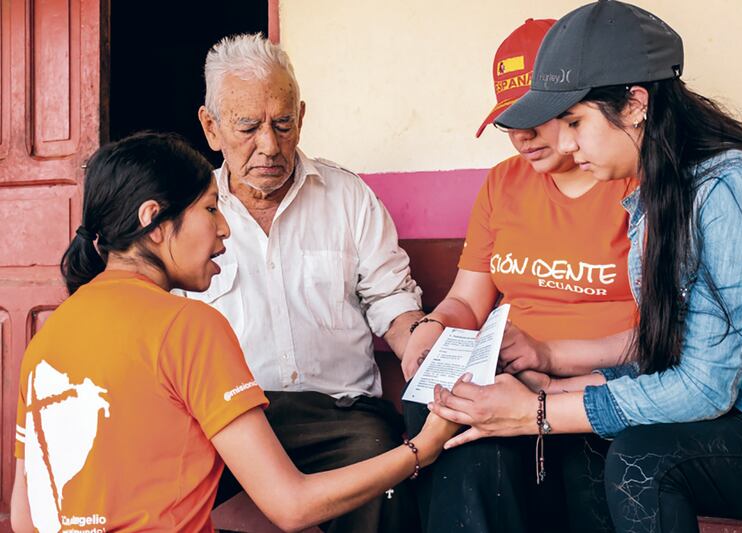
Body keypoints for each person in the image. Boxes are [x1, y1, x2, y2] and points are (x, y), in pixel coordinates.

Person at [431, 2, 742, 532]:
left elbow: (702, 388)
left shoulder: (739, 186)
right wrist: (538, 389)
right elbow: (665, 358)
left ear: (634, 105)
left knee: (637, 461)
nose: (563, 142)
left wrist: (534, 410)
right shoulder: (653, 201)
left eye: (575, 121)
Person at [9, 132, 456, 533]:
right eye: (209, 208)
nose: (223, 228)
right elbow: (291, 505)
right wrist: (423, 447)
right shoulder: (188, 326)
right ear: (156, 221)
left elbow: (27, 518)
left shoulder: (48, 338)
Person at [401, 18, 637, 533]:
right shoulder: (502, 185)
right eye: (509, 119)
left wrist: (551, 368)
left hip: (598, 381)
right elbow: (467, 300)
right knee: (455, 435)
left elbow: (669, 334)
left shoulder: (632, 179)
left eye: (539, 115)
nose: (521, 136)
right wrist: (432, 331)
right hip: (503, 373)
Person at [186, 33, 425, 532]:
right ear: (211, 127)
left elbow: (391, 298)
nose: (269, 146)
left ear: (302, 115)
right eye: (248, 127)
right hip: (228, 422)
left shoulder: (347, 196)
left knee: (379, 464)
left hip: (343, 416)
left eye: (283, 123)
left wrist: (420, 347)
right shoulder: (188, 217)